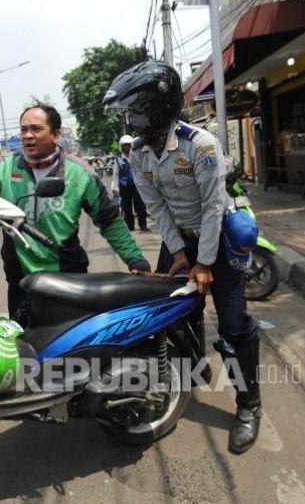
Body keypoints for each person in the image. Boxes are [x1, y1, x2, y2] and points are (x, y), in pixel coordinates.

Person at [103, 60, 262, 455]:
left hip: (217, 240)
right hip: (179, 241)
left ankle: (249, 406)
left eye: (135, 109)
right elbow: (156, 208)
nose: (130, 118)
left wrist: (203, 263)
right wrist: (177, 252)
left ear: (158, 107)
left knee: (233, 326)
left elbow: (212, 207)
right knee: (169, 314)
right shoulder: (137, 154)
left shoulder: (201, 145)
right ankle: (191, 367)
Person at [0, 101, 151, 321]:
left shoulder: (80, 172)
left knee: (75, 351)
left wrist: (135, 259)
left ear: (55, 135)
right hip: (20, 283)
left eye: (36, 129)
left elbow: (109, 220)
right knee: (24, 350)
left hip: (70, 281)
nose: (27, 136)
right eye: (23, 130)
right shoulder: (2, 169)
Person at [111, 134, 149, 231]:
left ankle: (143, 225)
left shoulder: (136, 156)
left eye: (128, 144)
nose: (127, 146)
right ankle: (130, 226)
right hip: (124, 186)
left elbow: (144, 169)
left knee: (140, 205)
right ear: (122, 146)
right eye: (125, 145)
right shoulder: (118, 159)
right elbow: (115, 174)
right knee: (126, 207)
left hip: (137, 184)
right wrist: (115, 188)